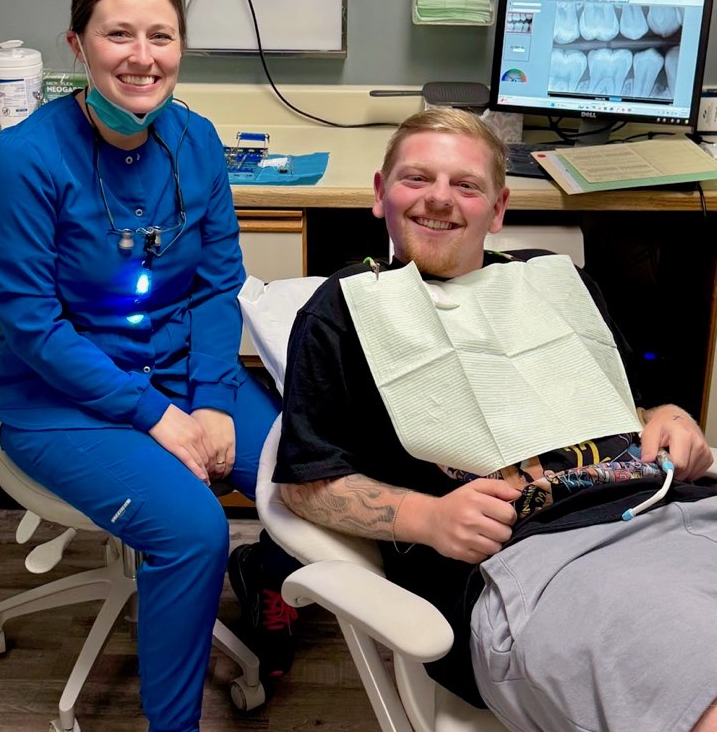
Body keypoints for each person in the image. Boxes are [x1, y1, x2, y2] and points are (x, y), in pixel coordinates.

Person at [274, 107, 717, 732]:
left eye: (466, 185)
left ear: (498, 208)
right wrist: (425, 518)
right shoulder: (342, 312)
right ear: (380, 193)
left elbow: (627, 404)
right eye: (416, 178)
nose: (439, 199)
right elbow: (303, 484)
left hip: (680, 510)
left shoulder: (557, 283)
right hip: (539, 565)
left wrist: (670, 416)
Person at [0, 0, 295, 732]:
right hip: (60, 399)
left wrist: (211, 400)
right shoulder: (26, 159)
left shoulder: (196, 140)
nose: (142, 56)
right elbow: (34, 327)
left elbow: (217, 285)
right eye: (118, 34)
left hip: (183, 371)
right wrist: (154, 415)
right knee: (193, 529)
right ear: (77, 45)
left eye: (161, 35)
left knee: (307, 467)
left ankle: (267, 585)